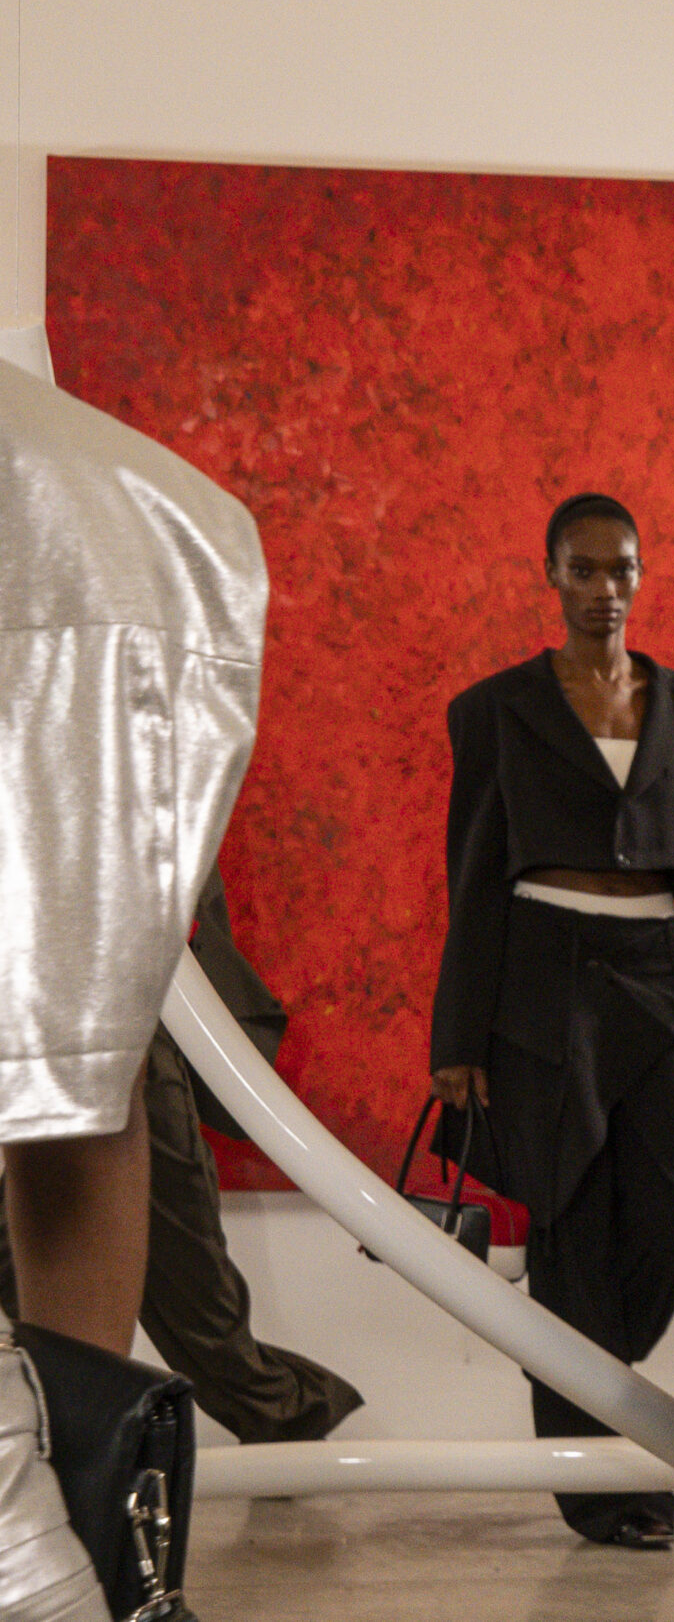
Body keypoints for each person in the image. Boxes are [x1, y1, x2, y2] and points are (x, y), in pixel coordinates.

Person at [1, 359, 267, 1621]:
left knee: (84, 1089)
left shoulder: (127, 502)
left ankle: (76, 1485)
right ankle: (77, 1498)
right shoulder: (152, 507)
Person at [428, 492, 674, 1549]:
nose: (605, 588)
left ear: (643, 575)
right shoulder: (496, 710)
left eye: (622, 568)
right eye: (584, 568)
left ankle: (595, 1376)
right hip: (540, 981)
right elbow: (473, 874)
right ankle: (604, 1490)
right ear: (550, 575)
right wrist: (458, 1038)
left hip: (655, 974)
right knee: (568, 1230)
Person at [0, 871, 363, 1444]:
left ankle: (281, 1413)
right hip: (54, 970)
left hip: (110, 977)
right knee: (43, 1234)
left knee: (169, 1246)